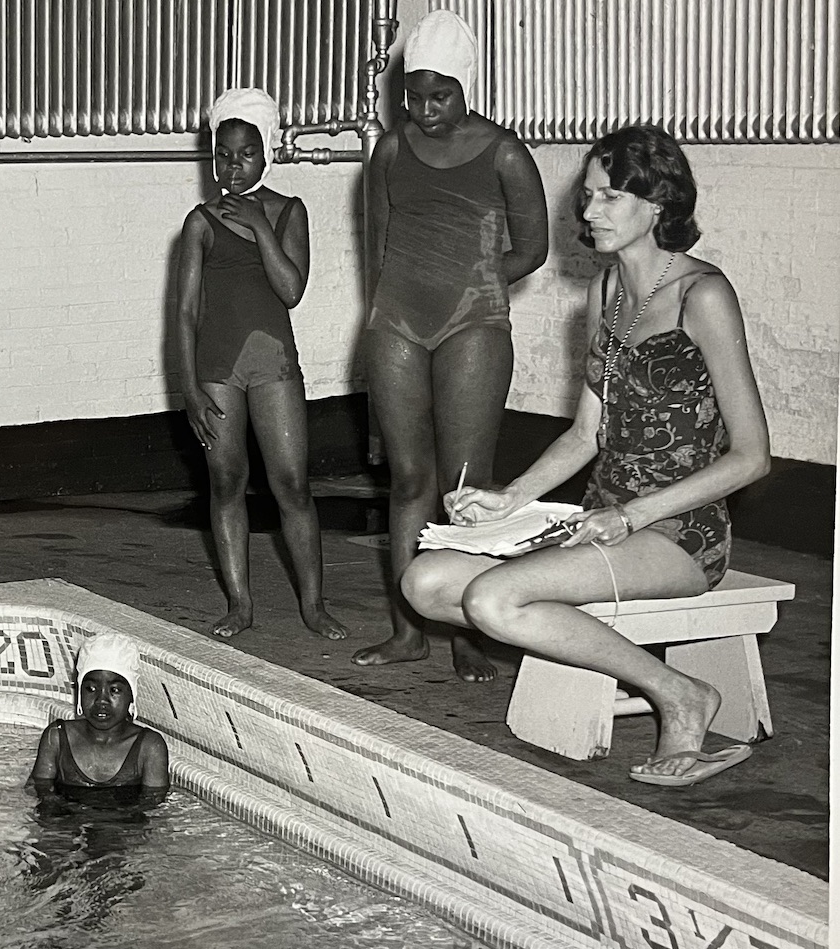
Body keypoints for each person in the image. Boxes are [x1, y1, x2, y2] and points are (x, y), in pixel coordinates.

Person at [401, 124, 771, 785]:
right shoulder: (607, 292)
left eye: (607, 197)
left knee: (493, 602)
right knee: (424, 582)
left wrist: (635, 515)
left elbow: (751, 457)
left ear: (656, 203)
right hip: (602, 516)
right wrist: (507, 499)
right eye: (588, 197)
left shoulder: (702, 296)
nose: (588, 212)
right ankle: (649, 675)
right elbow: (585, 434)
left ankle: (680, 694)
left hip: (681, 531)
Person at [353, 8, 549, 680]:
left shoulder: (503, 151)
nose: (425, 109)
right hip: (397, 321)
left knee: (465, 487)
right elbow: (375, 248)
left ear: (466, 87)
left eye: (440, 95)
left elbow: (535, 247)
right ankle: (409, 629)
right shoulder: (389, 150)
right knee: (409, 478)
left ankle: (468, 629)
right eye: (413, 94)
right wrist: (375, 339)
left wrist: (482, 279)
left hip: (474, 323)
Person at [175, 87, 348, 641]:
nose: (232, 165)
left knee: (292, 483)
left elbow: (292, 289)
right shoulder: (199, 223)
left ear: (266, 151)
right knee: (226, 481)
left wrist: (259, 223)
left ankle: (314, 604)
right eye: (222, 154)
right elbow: (183, 313)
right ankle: (240, 603)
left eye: (245, 153)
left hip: (272, 365)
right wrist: (188, 390)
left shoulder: (290, 211)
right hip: (217, 370)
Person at [28, 633, 169, 810]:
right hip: (64, 829)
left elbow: (153, 806)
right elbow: (37, 789)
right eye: (91, 688)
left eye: (115, 690)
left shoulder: (149, 747)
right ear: (79, 691)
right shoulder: (56, 737)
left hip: (121, 832)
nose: (101, 700)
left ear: (131, 695)